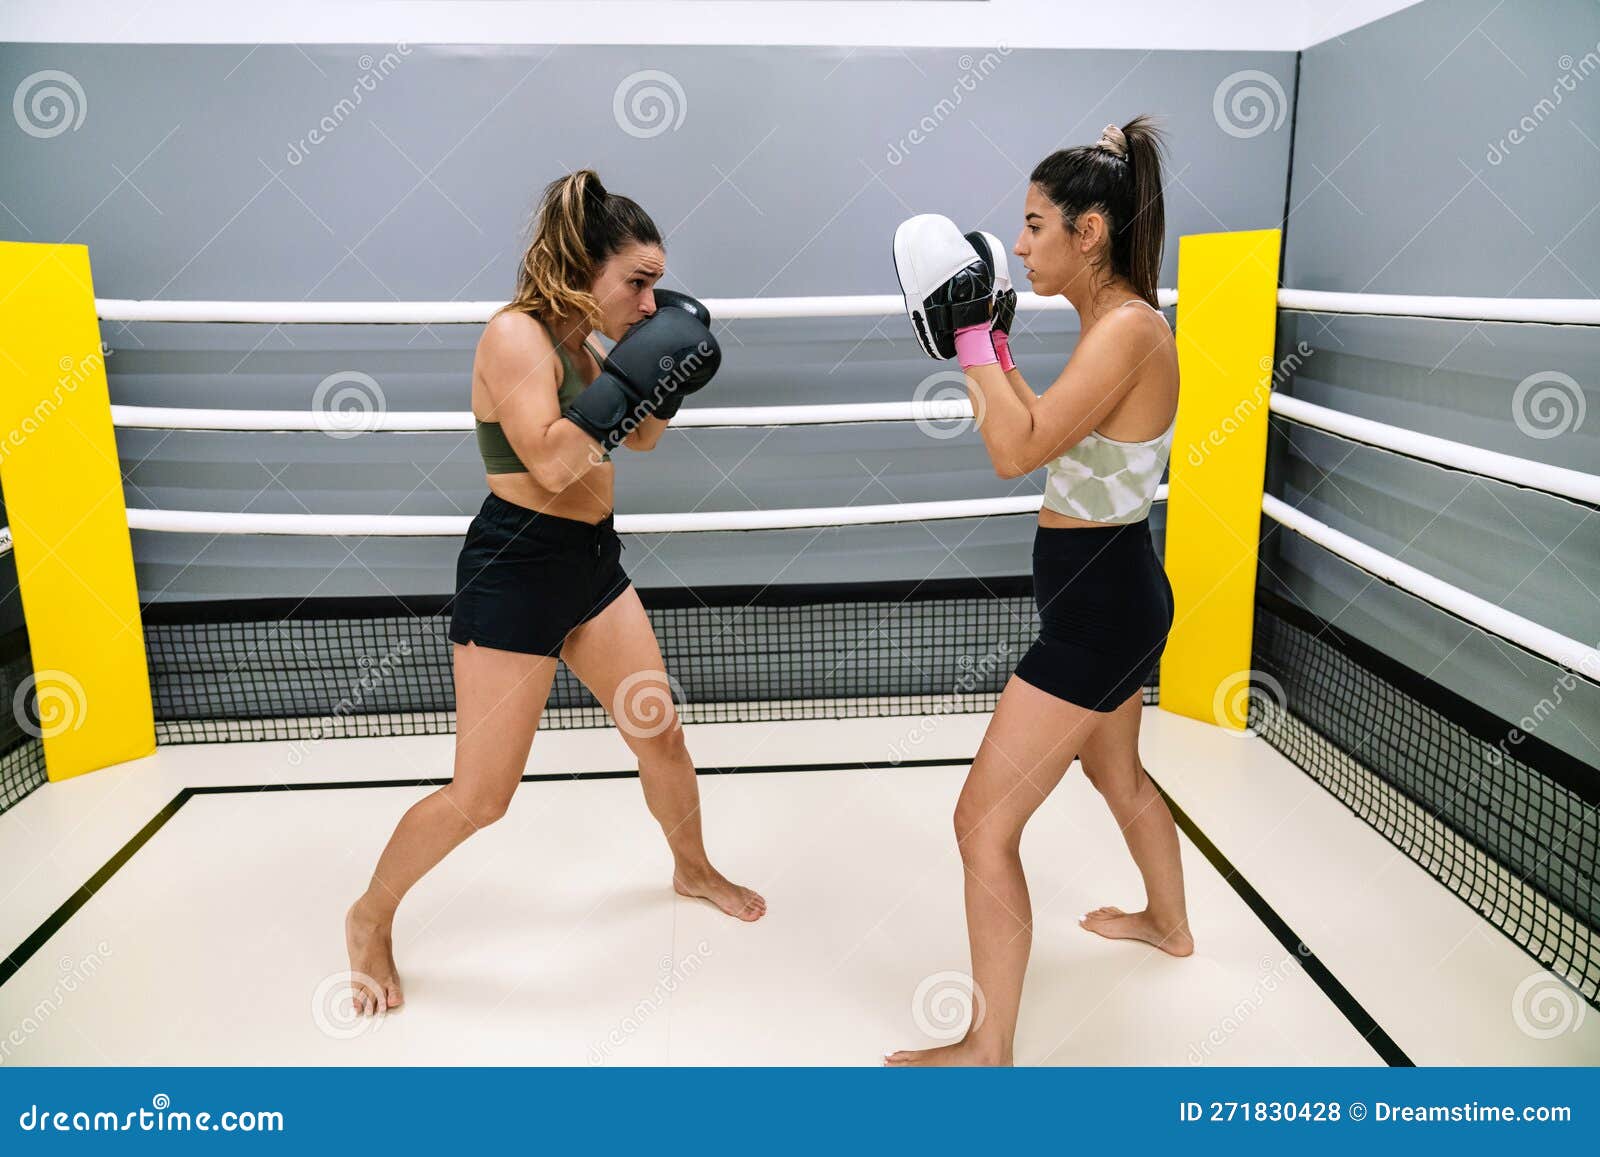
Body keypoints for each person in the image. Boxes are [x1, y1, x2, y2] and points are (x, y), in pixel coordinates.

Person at [345, 169, 765, 1016]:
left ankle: (690, 865)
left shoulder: (590, 340)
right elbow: (549, 459)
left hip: (591, 564)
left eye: (656, 284)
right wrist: (630, 376)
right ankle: (369, 914)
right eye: (637, 283)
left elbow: (637, 440)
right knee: (482, 797)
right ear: (583, 266)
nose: (650, 302)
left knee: (662, 735)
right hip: (516, 572)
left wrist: (665, 376)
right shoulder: (516, 337)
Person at [887, 117, 1189, 1066]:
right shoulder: (1116, 325)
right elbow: (1043, 427)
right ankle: (1168, 925)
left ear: (1087, 231)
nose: (1017, 246)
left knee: (981, 822)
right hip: (1113, 594)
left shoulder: (1130, 330)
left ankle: (988, 1047)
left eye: (1033, 224)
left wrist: (974, 333)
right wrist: (997, 348)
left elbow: (1014, 452)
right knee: (1116, 773)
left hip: (1098, 615)